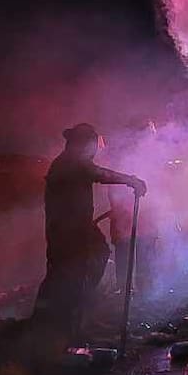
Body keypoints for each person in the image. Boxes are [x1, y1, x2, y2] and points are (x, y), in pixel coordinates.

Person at [34, 123, 147, 339]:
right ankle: (63, 326)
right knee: (69, 274)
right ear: (83, 144)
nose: (94, 150)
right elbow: (98, 173)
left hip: (77, 227)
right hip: (67, 231)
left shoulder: (68, 162)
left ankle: (73, 319)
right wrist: (130, 180)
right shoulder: (71, 163)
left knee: (90, 260)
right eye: (93, 145)